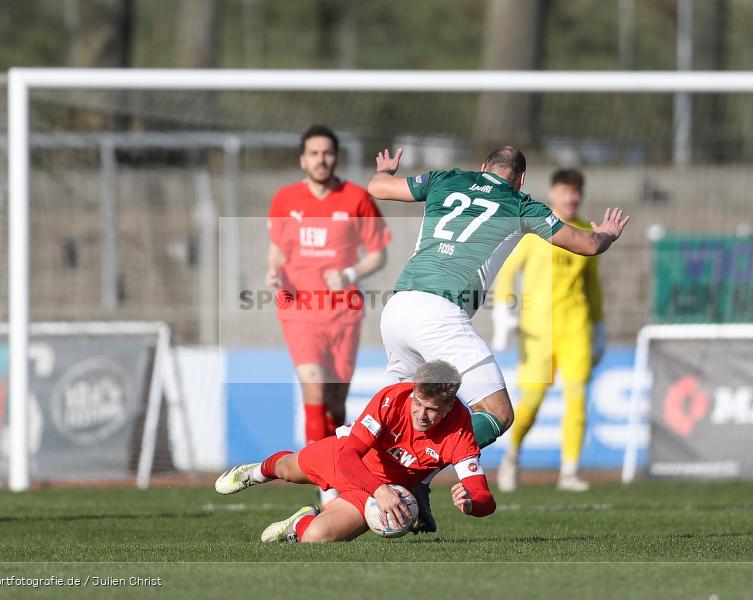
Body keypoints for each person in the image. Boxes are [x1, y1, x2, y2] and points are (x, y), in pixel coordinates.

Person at [367, 146, 628, 531]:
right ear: (521, 179)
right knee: (498, 413)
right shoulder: (521, 203)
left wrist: (387, 170)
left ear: (483, 167)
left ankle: (355, 484)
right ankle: (414, 476)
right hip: (440, 314)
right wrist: (605, 233)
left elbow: (378, 186)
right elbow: (587, 245)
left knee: (396, 410)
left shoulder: (445, 178)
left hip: (398, 306)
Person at [215, 360, 496, 543]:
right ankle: (253, 472)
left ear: (448, 408)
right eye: (418, 404)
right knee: (285, 469)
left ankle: (298, 523)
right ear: (413, 392)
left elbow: (485, 498)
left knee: (316, 538)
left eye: (432, 410)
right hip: (348, 458)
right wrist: (380, 490)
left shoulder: (460, 433)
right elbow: (348, 456)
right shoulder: (392, 399)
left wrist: (471, 503)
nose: (421, 415)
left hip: (377, 491)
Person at [267, 125, 391, 503]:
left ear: (335, 157)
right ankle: (325, 485)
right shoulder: (284, 199)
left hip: (343, 312)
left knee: (336, 404)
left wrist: (350, 274)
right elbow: (277, 251)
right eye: (314, 153)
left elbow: (378, 253)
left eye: (327, 153)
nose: (321, 159)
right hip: (299, 308)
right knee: (313, 387)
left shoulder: (356, 198)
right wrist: (273, 273)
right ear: (303, 159)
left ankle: (338, 464)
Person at [492, 168, 605, 493]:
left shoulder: (586, 232)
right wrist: (503, 310)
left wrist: (599, 325)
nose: (570, 198)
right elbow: (508, 270)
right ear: (553, 193)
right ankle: (511, 457)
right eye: (565, 191)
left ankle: (569, 471)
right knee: (533, 399)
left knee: (577, 397)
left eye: (576, 192)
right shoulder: (535, 228)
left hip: (576, 328)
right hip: (537, 330)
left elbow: (592, 285)